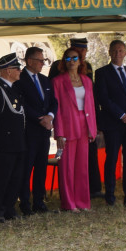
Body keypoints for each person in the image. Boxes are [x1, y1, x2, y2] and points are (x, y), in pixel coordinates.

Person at [94, 39, 126, 206]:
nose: (117, 54)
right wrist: (122, 115)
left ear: (125, 53)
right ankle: (110, 195)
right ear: (109, 52)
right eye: (114, 51)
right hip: (113, 123)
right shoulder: (102, 73)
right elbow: (104, 98)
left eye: (121, 50)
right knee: (112, 159)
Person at [0, 52, 27, 222]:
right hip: (5, 142)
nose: (19, 71)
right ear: (8, 70)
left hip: (18, 141)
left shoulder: (13, 89)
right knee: (3, 177)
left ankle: (9, 208)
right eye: (17, 68)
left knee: (15, 177)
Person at [52, 48, 97, 212]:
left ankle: (82, 202)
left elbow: (91, 106)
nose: (72, 61)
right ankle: (69, 203)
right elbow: (56, 109)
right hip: (67, 127)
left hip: (84, 126)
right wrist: (59, 133)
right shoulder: (58, 81)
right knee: (66, 168)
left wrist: (93, 128)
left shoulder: (86, 81)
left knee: (82, 167)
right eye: (68, 58)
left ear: (80, 61)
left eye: (75, 58)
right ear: (64, 61)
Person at [15, 46, 56, 214]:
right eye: (40, 60)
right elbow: (21, 105)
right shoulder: (20, 79)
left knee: (41, 167)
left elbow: (54, 102)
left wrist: (50, 116)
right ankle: (25, 203)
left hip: (44, 132)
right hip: (29, 132)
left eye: (44, 60)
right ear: (30, 61)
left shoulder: (45, 80)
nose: (42, 63)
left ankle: (39, 201)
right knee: (27, 168)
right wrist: (41, 119)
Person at [71, 37, 103, 198]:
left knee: (91, 152)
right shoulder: (61, 66)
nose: (82, 53)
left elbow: (93, 95)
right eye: (79, 50)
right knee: (73, 156)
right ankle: (74, 190)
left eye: (84, 50)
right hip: (71, 118)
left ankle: (94, 187)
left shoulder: (88, 67)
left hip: (88, 116)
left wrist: (97, 119)